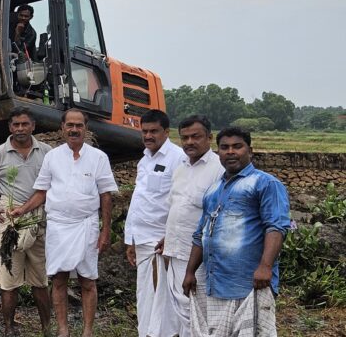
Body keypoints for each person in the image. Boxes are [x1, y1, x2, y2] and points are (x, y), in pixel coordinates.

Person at [9, 109, 118, 337]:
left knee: (88, 280)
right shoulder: (53, 156)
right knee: (59, 279)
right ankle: (63, 331)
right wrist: (22, 209)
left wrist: (105, 231)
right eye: (70, 125)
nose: (74, 129)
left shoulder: (98, 157)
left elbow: (106, 195)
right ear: (62, 128)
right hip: (58, 226)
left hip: (87, 225)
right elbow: (42, 192)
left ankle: (87, 331)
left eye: (79, 125)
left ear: (86, 129)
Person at [182, 127, 290, 337]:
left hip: (250, 282)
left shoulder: (265, 183)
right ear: (218, 152)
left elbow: (276, 227)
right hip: (215, 282)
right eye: (224, 147)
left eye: (237, 146)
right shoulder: (214, 189)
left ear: (250, 150)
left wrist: (265, 267)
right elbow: (200, 234)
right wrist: (190, 272)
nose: (230, 152)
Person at [0, 107, 52, 335]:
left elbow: (53, 184)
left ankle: (47, 328)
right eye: (16, 125)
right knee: (9, 280)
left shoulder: (47, 152)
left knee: (41, 279)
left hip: (39, 222)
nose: (20, 129)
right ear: (10, 127)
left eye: (25, 124)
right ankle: (9, 328)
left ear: (33, 126)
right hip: (10, 224)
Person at [153, 116, 224, 337]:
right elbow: (177, 208)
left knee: (199, 309)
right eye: (185, 137)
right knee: (181, 307)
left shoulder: (219, 169)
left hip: (200, 256)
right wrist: (167, 238)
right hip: (175, 250)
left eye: (196, 136)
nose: (189, 142)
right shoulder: (181, 167)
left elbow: (218, 215)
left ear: (209, 138)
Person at [123, 109, 186, 337]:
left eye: (154, 131)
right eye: (144, 131)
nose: (148, 136)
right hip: (142, 240)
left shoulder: (178, 158)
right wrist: (131, 240)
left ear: (166, 132)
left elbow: (181, 201)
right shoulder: (144, 160)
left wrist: (170, 236)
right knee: (146, 296)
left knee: (164, 300)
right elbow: (140, 202)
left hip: (162, 242)